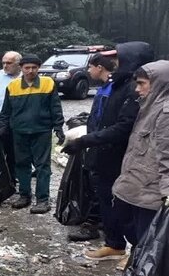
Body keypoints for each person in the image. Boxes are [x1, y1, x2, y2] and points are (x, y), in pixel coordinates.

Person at [63, 42, 154, 249]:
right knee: (105, 198)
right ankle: (113, 244)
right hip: (104, 152)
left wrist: (85, 141)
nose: (113, 63)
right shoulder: (118, 84)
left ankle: (137, 250)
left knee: (123, 205)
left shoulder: (133, 88)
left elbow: (123, 127)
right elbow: (104, 117)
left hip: (121, 156)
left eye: (118, 59)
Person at [112, 60, 169, 253]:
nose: (137, 89)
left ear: (159, 84)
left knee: (150, 248)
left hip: (152, 193)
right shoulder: (150, 105)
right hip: (138, 187)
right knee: (139, 241)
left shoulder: (166, 113)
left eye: (142, 83)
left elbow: (168, 155)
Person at [0, 54, 65, 214]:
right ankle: (24, 195)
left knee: (42, 166)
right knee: (22, 164)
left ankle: (42, 199)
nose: (31, 71)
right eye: (27, 68)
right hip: (19, 131)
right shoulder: (13, 86)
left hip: (41, 131)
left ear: (38, 68)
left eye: (34, 67)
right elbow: (6, 111)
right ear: (21, 68)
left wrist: (58, 128)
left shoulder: (48, 84)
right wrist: (3, 128)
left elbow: (55, 107)